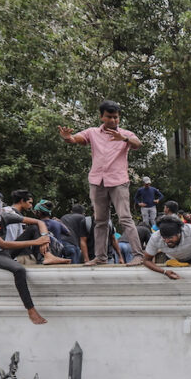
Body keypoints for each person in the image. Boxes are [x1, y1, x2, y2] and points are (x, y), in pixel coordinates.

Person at [58, 99, 145, 265]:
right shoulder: (92, 132)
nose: (113, 120)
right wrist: (67, 138)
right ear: (101, 117)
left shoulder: (125, 133)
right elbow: (77, 139)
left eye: (116, 117)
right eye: (109, 117)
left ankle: (138, 255)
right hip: (97, 181)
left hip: (118, 181)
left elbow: (138, 144)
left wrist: (124, 138)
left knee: (125, 218)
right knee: (100, 221)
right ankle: (100, 257)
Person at [0, 193, 50, 324]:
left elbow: (39, 221)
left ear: (0, 207)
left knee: (34, 228)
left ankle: (48, 256)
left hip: (3, 252)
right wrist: (36, 242)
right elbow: (2, 244)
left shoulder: (3, 216)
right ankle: (31, 310)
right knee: (19, 270)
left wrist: (44, 238)